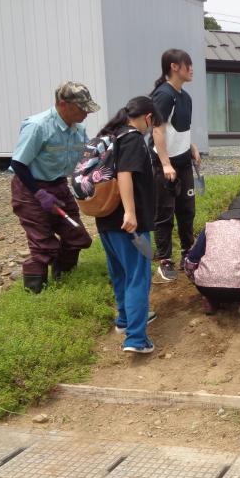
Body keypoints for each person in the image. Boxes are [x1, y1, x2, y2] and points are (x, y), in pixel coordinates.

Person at [10, 81, 98, 293]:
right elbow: (18, 164)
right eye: (81, 108)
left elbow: (85, 160)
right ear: (63, 104)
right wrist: (39, 194)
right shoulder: (39, 126)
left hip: (58, 185)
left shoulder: (79, 130)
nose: (86, 113)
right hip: (30, 189)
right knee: (43, 246)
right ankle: (35, 293)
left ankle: (64, 280)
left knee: (77, 237)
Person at [96, 97, 162, 354]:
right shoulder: (132, 138)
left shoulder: (112, 136)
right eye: (152, 122)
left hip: (106, 220)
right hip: (129, 223)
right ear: (147, 117)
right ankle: (136, 339)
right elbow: (124, 174)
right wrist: (131, 213)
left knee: (121, 274)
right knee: (138, 276)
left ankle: (124, 321)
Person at [150, 48, 201, 283]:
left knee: (186, 210)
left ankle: (187, 254)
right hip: (166, 166)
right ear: (174, 67)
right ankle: (165, 260)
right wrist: (165, 164)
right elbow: (158, 130)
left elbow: (178, 128)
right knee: (165, 212)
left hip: (183, 161)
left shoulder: (185, 97)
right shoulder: (164, 95)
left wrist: (191, 146)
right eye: (187, 65)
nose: (191, 69)